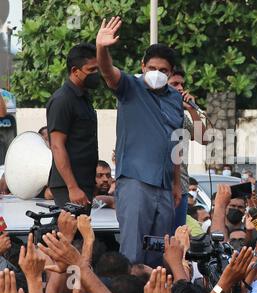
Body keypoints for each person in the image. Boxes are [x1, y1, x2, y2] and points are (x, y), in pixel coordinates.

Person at [96, 17, 183, 267]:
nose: (157, 73)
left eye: (164, 70)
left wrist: (176, 183)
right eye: (152, 68)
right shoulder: (129, 87)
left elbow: (178, 143)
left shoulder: (175, 99)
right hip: (135, 183)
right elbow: (107, 71)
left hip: (165, 187)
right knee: (132, 256)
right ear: (143, 66)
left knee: (158, 257)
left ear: (171, 73)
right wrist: (102, 48)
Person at [46, 43, 99, 210]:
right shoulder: (63, 100)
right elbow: (57, 145)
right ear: (75, 71)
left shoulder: (84, 98)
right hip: (69, 186)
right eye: (91, 70)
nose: (96, 74)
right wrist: (72, 187)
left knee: (82, 233)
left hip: (84, 182)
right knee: (70, 235)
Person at [168, 68, 208, 233]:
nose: (180, 88)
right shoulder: (153, 114)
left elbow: (204, 138)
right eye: (174, 84)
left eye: (182, 84)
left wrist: (192, 110)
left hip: (182, 188)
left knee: (178, 238)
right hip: (160, 187)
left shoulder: (182, 116)